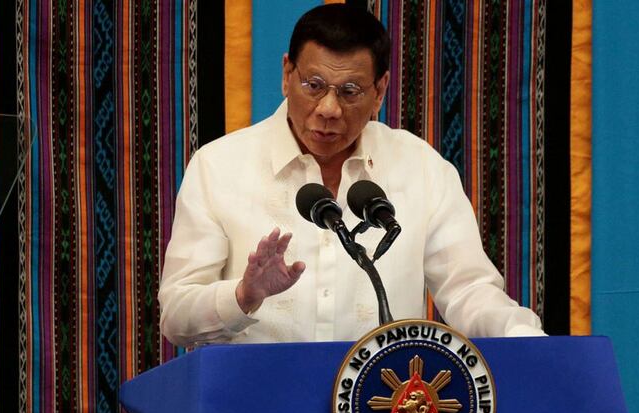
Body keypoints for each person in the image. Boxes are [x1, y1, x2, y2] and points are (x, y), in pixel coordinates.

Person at [158, 4, 544, 347]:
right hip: (252, 412)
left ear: (380, 91)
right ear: (286, 73)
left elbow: (469, 290)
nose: (328, 108)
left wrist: (528, 341)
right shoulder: (219, 167)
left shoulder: (421, 168)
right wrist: (243, 295)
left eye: (350, 91)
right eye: (313, 86)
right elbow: (176, 317)